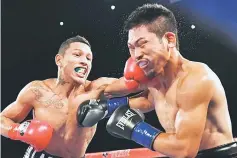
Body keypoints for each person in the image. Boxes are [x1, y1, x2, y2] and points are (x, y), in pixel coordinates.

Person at [78, 4, 237, 158]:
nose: (136, 54)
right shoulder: (153, 76)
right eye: (131, 47)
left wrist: (135, 129)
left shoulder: (196, 80)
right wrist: (106, 107)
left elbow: (184, 150)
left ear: (169, 40)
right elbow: (148, 101)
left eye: (142, 44)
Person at [0, 35, 139, 158]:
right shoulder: (37, 91)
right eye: (77, 55)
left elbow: (136, 84)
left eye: (89, 58)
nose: (85, 61)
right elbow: (3, 119)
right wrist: (16, 131)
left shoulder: (98, 89)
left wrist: (144, 68)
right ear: (59, 60)